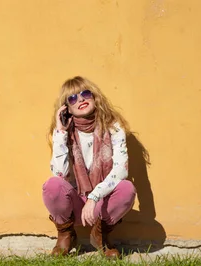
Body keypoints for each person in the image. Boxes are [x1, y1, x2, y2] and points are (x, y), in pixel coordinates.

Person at [43, 76, 136, 258]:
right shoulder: (64, 132)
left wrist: (94, 197)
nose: (81, 99)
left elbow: (121, 171)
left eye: (85, 93)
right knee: (52, 185)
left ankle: (100, 236)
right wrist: (61, 132)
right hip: (75, 204)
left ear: (94, 97)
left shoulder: (114, 128)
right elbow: (60, 173)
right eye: (72, 98)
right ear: (66, 108)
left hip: (102, 203)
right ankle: (66, 235)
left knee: (127, 188)